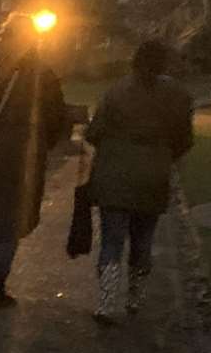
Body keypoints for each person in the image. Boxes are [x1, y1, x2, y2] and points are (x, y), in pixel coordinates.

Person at [0, 14, 68, 307]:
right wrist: (42, 142)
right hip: (23, 156)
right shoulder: (43, 74)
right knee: (10, 221)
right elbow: (57, 118)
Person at [83, 39, 193, 323]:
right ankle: (136, 297)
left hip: (115, 174)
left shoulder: (116, 92)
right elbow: (184, 140)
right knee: (143, 240)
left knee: (112, 241)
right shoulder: (177, 96)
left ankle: (106, 302)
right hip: (153, 176)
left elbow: (94, 133)